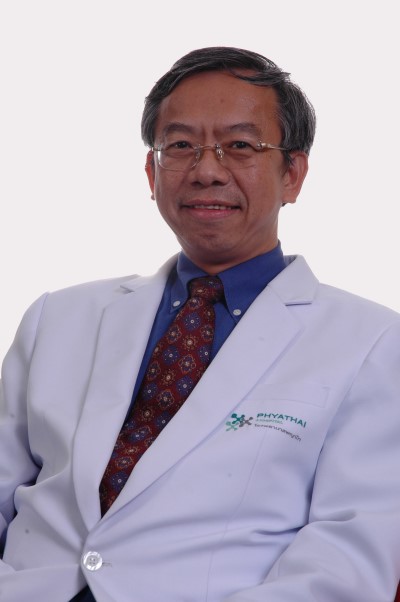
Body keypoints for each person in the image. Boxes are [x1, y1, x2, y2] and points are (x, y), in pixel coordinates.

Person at [0, 46, 399, 602]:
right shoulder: (56, 317)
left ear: (293, 174)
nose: (207, 171)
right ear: (151, 171)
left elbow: (345, 560)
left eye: (241, 146)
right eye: (181, 146)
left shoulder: (373, 343)